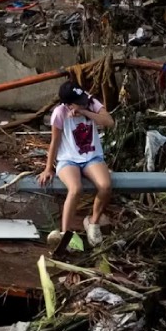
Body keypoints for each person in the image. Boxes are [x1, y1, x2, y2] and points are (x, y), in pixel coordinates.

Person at [38, 81, 115, 247]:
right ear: (68, 104)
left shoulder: (91, 103)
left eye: (82, 98)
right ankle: (65, 233)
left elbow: (109, 122)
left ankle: (93, 223)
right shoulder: (59, 113)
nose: (83, 101)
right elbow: (55, 141)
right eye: (78, 101)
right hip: (68, 159)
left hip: (92, 157)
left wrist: (85, 111)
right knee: (75, 189)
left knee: (105, 186)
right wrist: (48, 168)